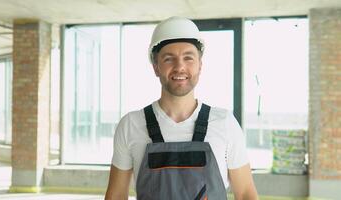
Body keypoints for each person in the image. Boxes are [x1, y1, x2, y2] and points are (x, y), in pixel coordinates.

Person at [105, 16, 258, 200]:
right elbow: (115, 196)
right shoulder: (131, 124)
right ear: (156, 67)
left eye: (188, 58)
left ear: (200, 66)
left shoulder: (225, 123)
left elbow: (246, 194)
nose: (180, 67)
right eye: (169, 59)